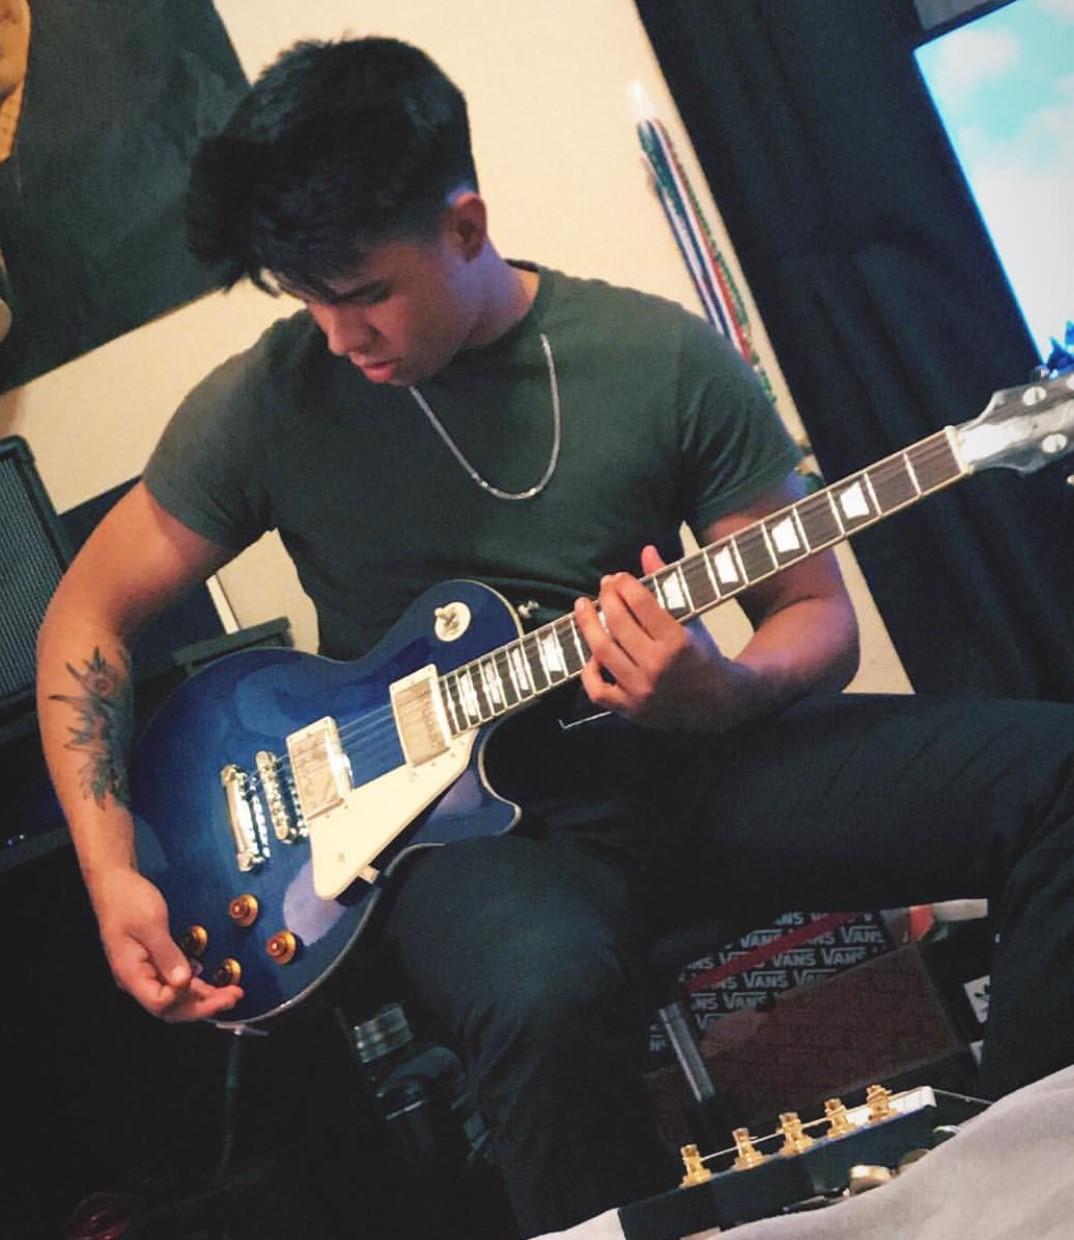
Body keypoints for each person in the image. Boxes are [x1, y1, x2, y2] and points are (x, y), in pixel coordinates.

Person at [35, 35, 1074, 1238]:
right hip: (463, 836)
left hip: (693, 765)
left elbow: (816, 616)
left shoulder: (658, 359)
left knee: (1058, 776)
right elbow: (85, 615)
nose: (338, 333)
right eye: (306, 297)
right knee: (538, 997)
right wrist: (113, 871)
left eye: (365, 292)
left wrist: (722, 690)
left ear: (465, 226)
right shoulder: (266, 402)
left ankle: (1019, 1179)